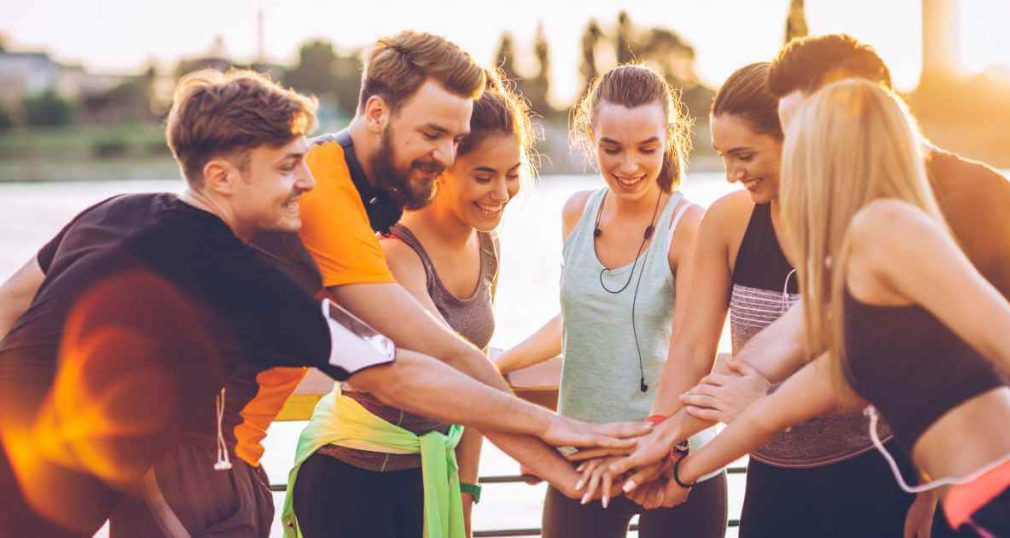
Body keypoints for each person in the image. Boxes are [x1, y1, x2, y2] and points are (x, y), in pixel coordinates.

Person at [0, 69, 643, 538]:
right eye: (286, 168)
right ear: (222, 177)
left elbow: (10, 309)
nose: (307, 182)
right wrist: (554, 428)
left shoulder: (113, 215)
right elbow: (396, 370)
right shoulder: (241, 278)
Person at [602, 34, 1010, 537]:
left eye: (799, 129)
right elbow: (763, 382)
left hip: (1000, 495)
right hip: (972, 502)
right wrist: (670, 457)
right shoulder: (856, 245)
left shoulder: (895, 226)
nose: (794, 148)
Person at [280, 29, 616, 520]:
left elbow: (447, 363)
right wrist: (557, 442)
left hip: (244, 458)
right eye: (433, 134)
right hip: (285, 467)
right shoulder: (332, 202)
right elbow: (427, 366)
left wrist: (540, 466)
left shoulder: (365, 205)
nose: (442, 157)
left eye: (454, 140)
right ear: (376, 113)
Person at [287, 73, 532, 538]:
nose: (500, 193)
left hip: (425, 475)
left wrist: (466, 493)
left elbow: (474, 383)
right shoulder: (396, 251)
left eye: (512, 174)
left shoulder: (486, 247)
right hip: (353, 476)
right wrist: (550, 446)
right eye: (484, 175)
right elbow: (450, 365)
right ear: (443, 168)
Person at [495, 64, 727, 538]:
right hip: (583, 460)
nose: (629, 166)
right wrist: (497, 366)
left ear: (669, 139)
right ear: (590, 137)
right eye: (612, 148)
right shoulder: (577, 212)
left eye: (647, 148)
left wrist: (663, 446)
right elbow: (579, 318)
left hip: (670, 458)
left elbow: (692, 345)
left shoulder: (689, 225)